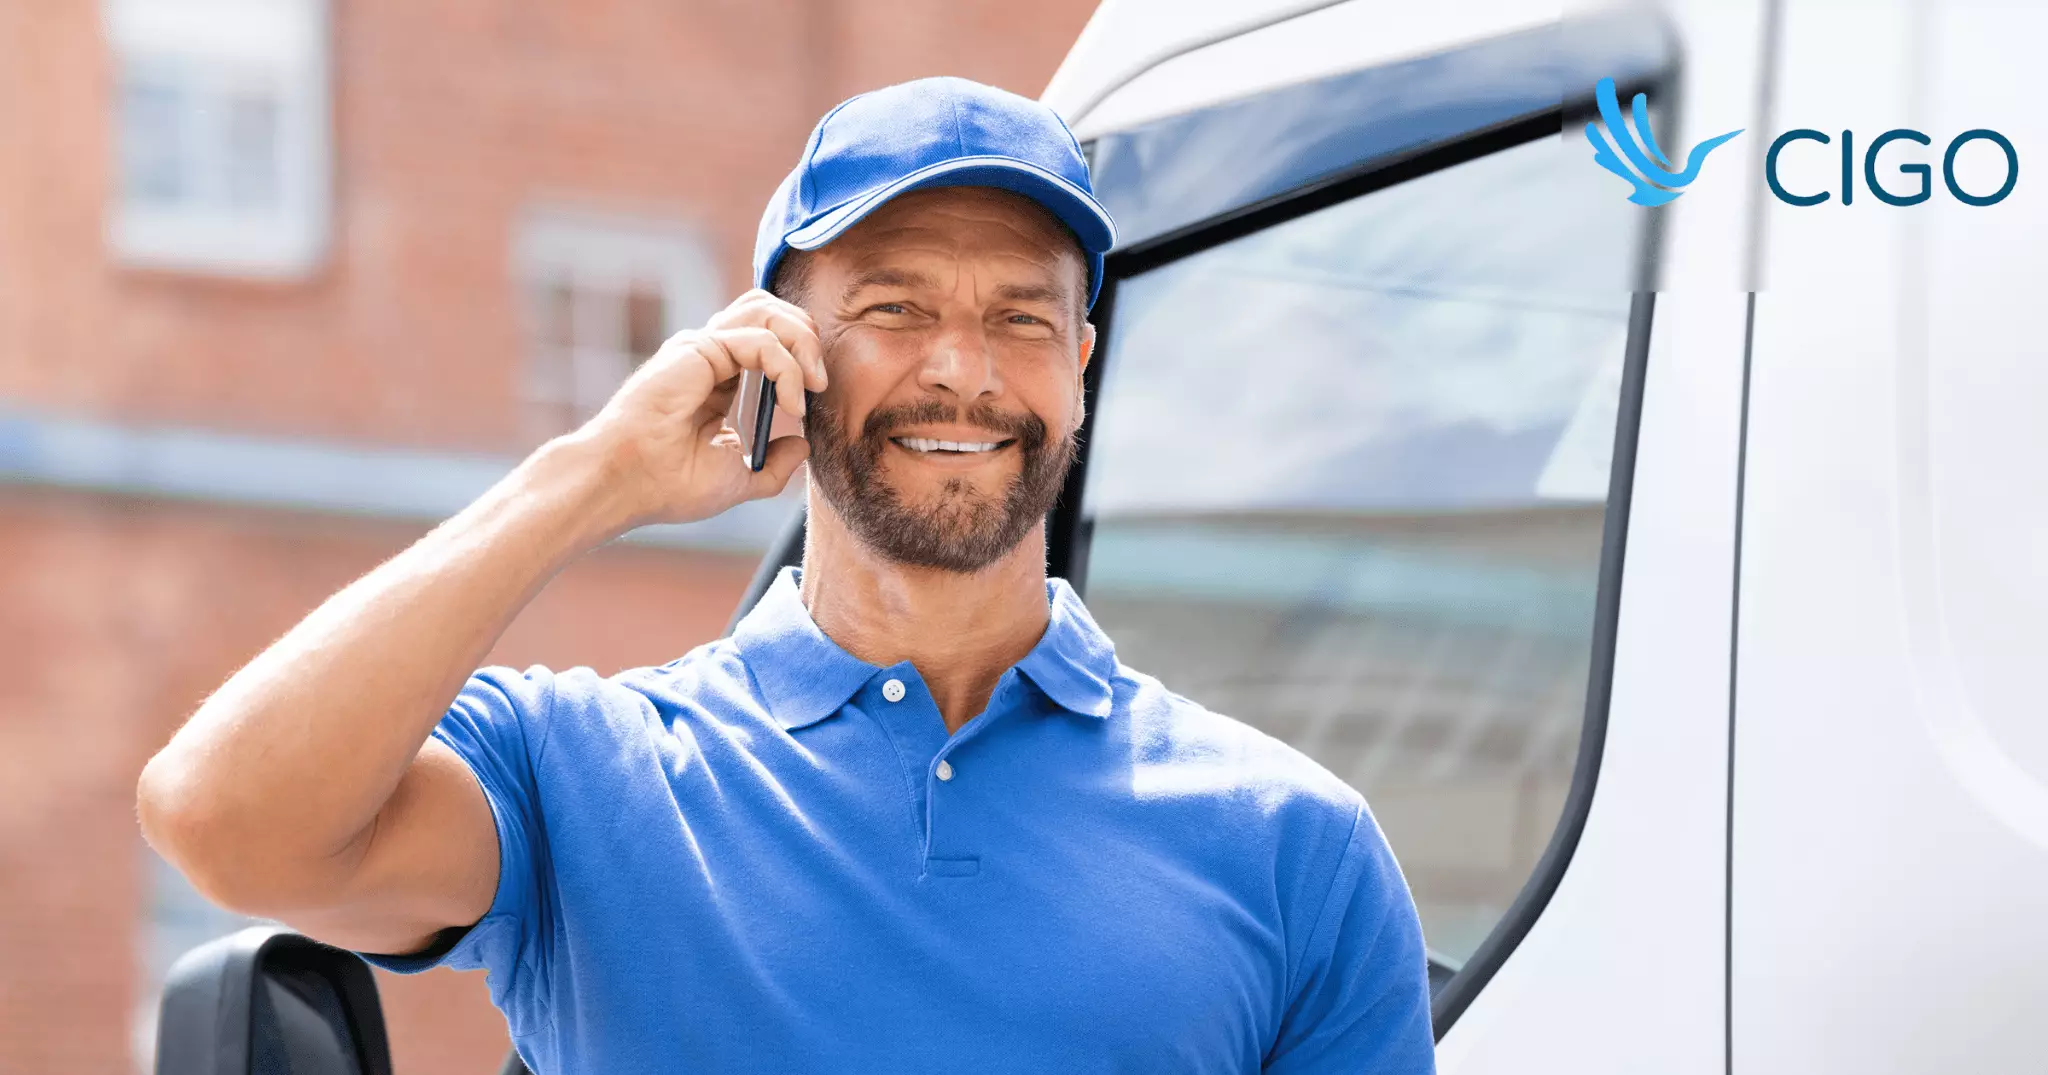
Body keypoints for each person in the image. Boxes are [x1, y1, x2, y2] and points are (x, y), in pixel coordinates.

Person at [136, 76, 1436, 1073]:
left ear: (1080, 363)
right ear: (775, 353)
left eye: (1020, 318)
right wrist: (592, 476)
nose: (964, 370)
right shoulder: (582, 773)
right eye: (893, 307)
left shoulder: (1292, 847)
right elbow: (223, 820)